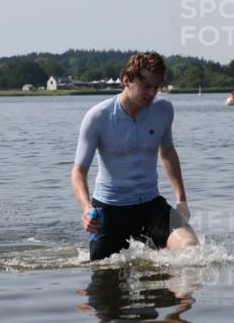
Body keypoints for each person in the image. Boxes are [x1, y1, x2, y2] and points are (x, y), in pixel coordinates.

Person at [71, 52, 199, 261]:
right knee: (103, 272)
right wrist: (86, 207)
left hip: (151, 205)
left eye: (156, 87)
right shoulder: (98, 117)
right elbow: (78, 172)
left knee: (190, 249)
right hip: (110, 209)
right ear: (126, 81)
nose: (151, 93)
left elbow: (166, 152)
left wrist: (181, 199)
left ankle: (175, 293)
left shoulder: (164, 110)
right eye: (146, 86)